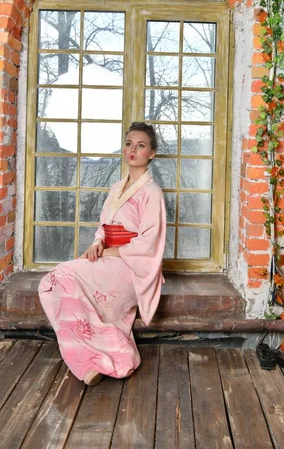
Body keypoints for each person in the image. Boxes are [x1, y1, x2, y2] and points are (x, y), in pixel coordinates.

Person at [38, 122, 167, 386]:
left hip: (131, 267)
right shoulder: (116, 187)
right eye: (129, 143)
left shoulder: (152, 193)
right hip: (109, 257)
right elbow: (104, 226)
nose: (133, 150)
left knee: (61, 275)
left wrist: (114, 250)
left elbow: (150, 242)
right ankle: (92, 361)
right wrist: (98, 242)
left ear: (151, 153)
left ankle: (108, 357)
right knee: (50, 283)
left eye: (141, 145)